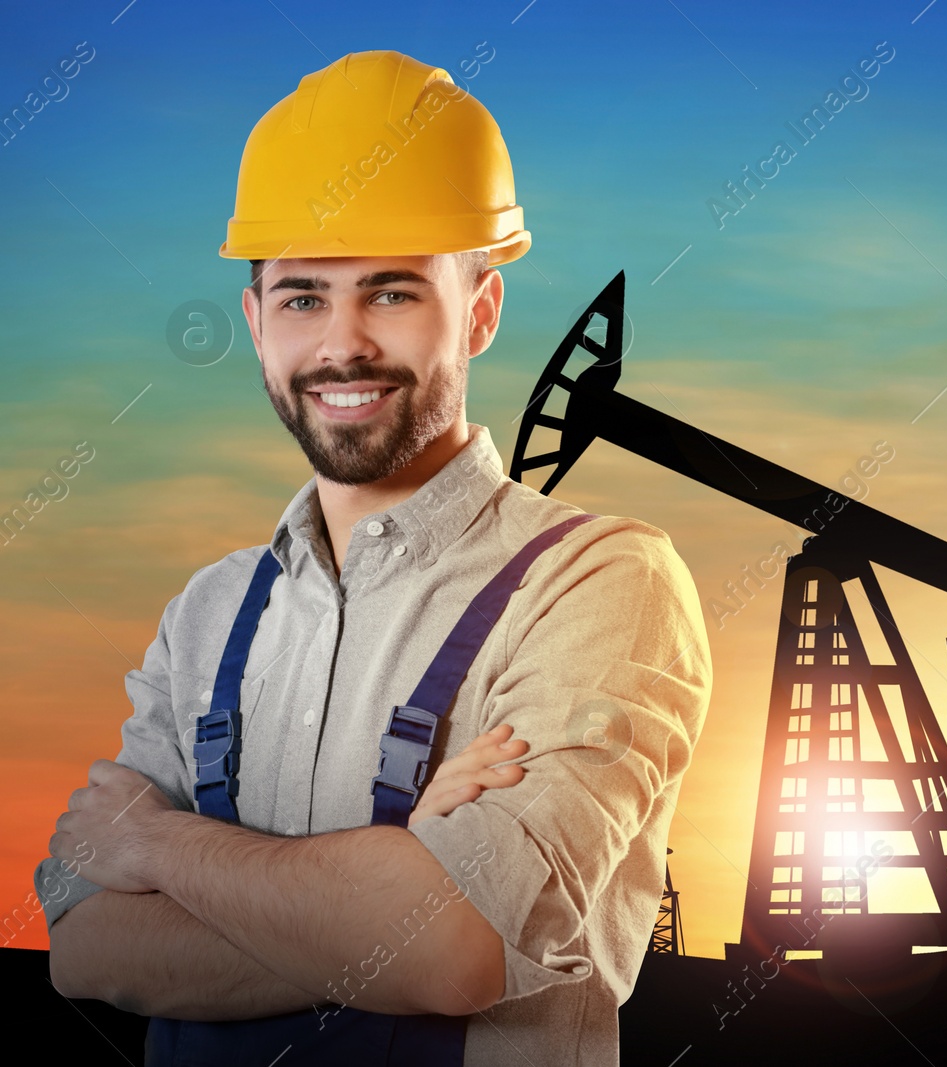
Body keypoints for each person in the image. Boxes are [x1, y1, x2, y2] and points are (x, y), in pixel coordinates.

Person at [32, 49, 712, 1066]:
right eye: (304, 297)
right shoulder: (208, 613)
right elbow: (85, 946)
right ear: (257, 323)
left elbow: (450, 949)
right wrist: (387, 884)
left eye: (391, 293)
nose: (342, 344)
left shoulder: (602, 583)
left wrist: (156, 844)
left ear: (479, 310)